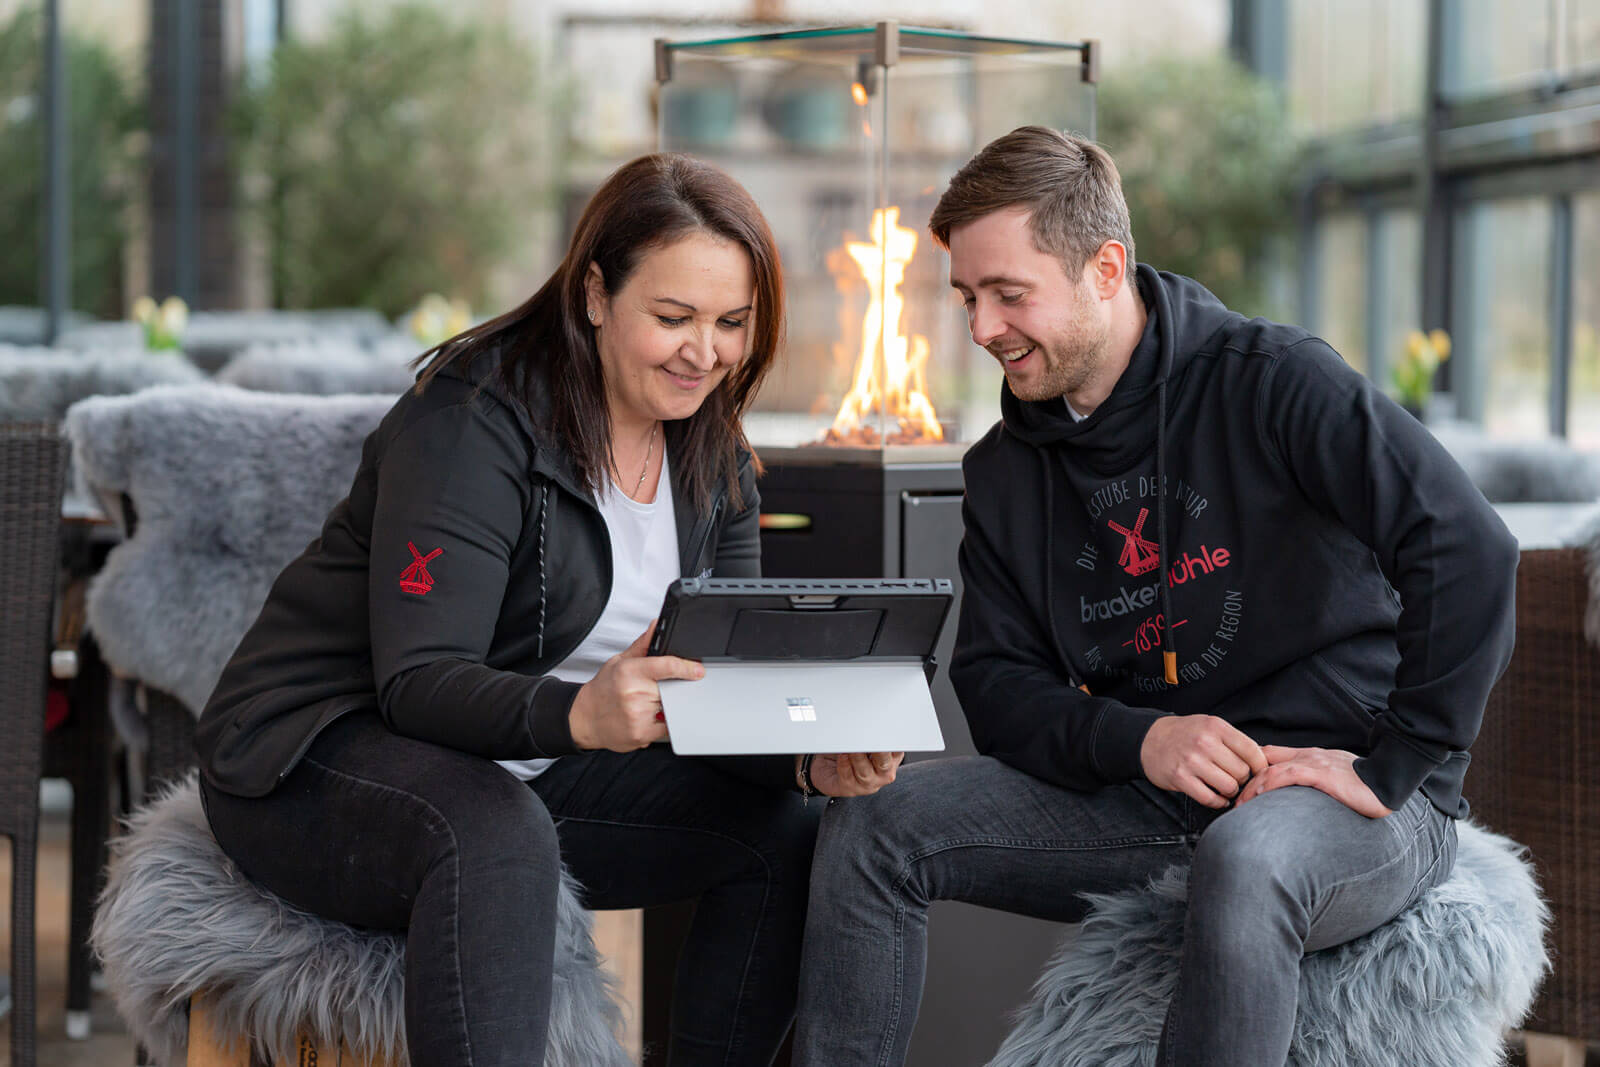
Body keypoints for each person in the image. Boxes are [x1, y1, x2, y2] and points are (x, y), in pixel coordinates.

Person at [794, 126, 1519, 1066]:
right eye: (968, 297)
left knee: (1248, 856)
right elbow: (998, 686)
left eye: (1011, 294)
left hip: (1342, 794)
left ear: (1106, 267)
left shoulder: (1274, 381)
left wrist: (1399, 761)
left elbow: (1469, 546)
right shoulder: (1007, 472)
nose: (981, 329)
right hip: (1147, 796)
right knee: (871, 827)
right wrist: (1143, 738)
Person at [194, 153, 903, 1067]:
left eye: (732, 323)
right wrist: (577, 711)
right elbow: (414, 679)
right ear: (596, 294)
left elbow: (716, 678)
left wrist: (808, 757)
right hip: (312, 755)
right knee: (495, 832)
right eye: (674, 317)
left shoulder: (711, 449)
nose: (706, 352)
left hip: (532, 764)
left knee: (785, 835)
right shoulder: (473, 421)